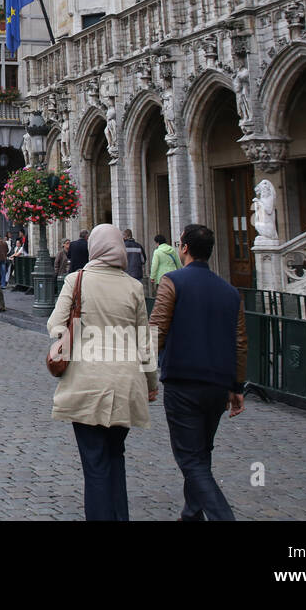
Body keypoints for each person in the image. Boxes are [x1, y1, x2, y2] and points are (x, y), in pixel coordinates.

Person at [47, 223, 158, 521]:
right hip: (125, 384)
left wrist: (76, 333)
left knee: (94, 463)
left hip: (87, 383)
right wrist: (152, 383)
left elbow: (55, 325)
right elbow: (146, 342)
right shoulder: (134, 286)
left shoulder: (76, 280)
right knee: (115, 456)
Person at [149, 224, 247, 521]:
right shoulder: (231, 292)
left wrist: (144, 373)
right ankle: (192, 513)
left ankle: (222, 516)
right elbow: (240, 342)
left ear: (184, 248)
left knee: (190, 457)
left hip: (183, 381)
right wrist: (237, 387)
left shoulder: (172, 281)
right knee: (202, 452)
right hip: (217, 385)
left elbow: (156, 330)